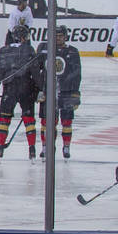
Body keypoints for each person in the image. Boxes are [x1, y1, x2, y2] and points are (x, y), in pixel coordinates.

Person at [0, 23, 41, 160]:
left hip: (9, 89)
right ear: (23, 38)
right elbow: (36, 73)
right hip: (27, 88)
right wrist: (41, 89)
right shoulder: (29, 50)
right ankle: (32, 149)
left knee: (4, 119)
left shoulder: (4, 51)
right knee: (29, 120)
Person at [36, 24, 82, 159]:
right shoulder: (44, 49)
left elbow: (77, 73)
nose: (58, 38)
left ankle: (66, 146)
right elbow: (36, 70)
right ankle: (46, 146)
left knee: (66, 121)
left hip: (66, 91)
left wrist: (75, 93)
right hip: (47, 91)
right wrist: (39, 89)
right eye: (55, 36)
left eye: (61, 36)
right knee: (46, 121)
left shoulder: (73, 51)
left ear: (66, 37)